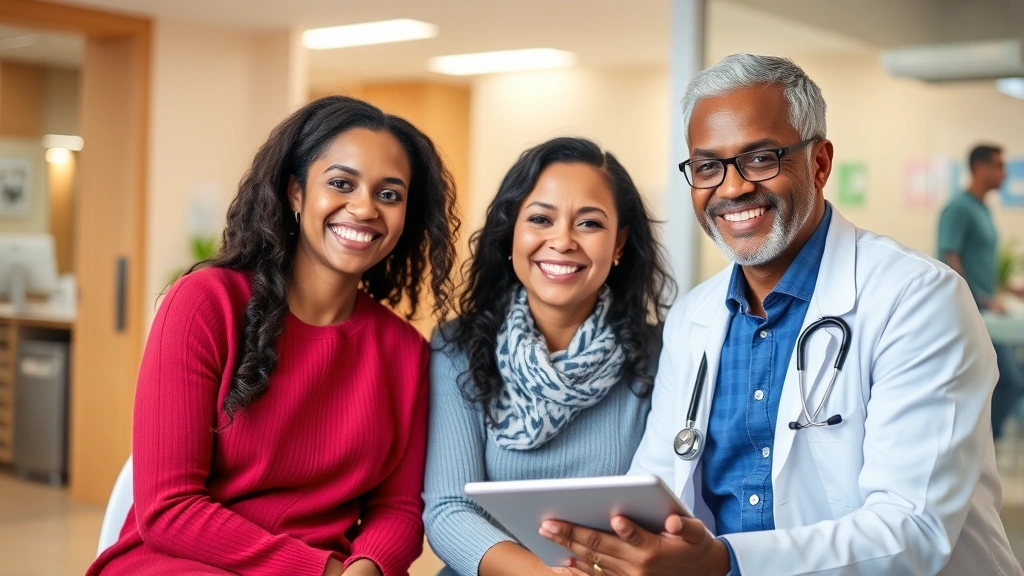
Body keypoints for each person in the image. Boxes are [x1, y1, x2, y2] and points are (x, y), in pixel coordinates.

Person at [540, 55, 1021, 575]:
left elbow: (911, 530)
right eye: (707, 167)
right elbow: (659, 478)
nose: (731, 187)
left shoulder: (918, 298)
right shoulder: (693, 316)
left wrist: (727, 561)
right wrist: (616, 549)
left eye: (761, 158)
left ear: (819, 163)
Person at [87, 96, 460, 576]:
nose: (365, 208)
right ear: (296, 193)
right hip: (181, 561)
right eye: (342, 183)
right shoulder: (204, 304)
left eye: (389, 194)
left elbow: (399, 510)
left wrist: (367, 568)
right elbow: (168, 508)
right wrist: (320, 570)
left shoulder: (406, 352)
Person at [423, 137, 674, 576]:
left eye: (589, 224)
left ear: (619, 244)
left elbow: (671, 506)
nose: (562, 241)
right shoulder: (456, 349)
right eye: (540, 219)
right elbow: (448, 510)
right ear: (510, 234)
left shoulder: (663, 354)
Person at [938, 144, 1024, 439]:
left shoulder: (982, 209)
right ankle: (985, 444)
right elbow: (950, 260)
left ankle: (985, 445)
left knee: (1007, 381)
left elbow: (979, 263)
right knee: (1009, 382)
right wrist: (981, 299)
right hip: (969, 312)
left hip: (986, 310)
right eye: (999, 166)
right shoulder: (958, 209)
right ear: (980, 168)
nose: (1004, 173)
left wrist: (1008, 289)